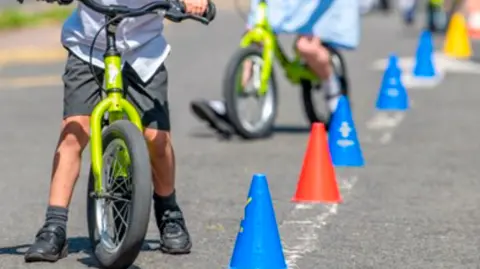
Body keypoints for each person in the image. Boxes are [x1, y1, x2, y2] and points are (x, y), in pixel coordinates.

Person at [22, 0, 208, 263]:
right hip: (88, 46)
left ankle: (169, 212)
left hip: (143, 50)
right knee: (74, 131)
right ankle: (54, 225)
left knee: (157, 138)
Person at [190, 0, 360, 136]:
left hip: (318, 6)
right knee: (255, 37)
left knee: (306, 47)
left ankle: (334, 92)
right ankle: (234, 102)